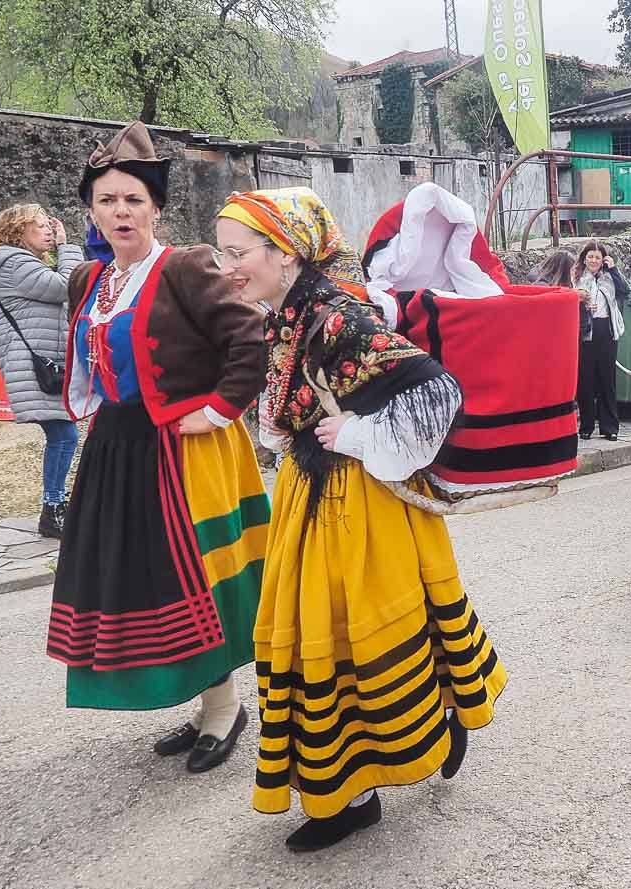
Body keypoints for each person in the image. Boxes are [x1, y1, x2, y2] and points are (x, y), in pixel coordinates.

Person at [216, 187, 506, 852]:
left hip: (356, 502)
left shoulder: (336, 315)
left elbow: (437, 389)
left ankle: (363, 781)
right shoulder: (288, 311)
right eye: (223, 252)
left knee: (349, 635)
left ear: (283, 252)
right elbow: (291, 403)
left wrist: (353, 432)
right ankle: (360, 779)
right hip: (311, 494)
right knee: (325, 635)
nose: (228, 265)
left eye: (238, 253)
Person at [48, 122, 268, 775]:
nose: (121, 211)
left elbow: (248, 340)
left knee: (195, 576)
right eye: (108, 199)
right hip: (117, 450)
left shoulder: (185, 266)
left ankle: (226, 708)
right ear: (90, 208)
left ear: (156, 208)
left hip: (183, 450)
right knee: (143, 580)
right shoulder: (87, 281)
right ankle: (205, 705)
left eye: (134, 200)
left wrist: (219, 409)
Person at [0, 203, 83, 538]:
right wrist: (68, 248)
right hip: (32, 364)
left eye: (49, 226)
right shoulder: (15, 263)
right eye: (40, 225)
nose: (49, 231)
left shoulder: (13, 263)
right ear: (18, 230)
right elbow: (69, 286)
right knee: (64, 435)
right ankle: (53, 509)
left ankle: (55, 506)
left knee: (62, 434)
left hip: (33, 361)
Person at [575, 241, 628, 441]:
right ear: (584, 258)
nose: (594, 261)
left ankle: (609, 427)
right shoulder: (578, 278)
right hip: (585, 332)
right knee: (586, 381)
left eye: (598, 257)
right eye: (590, 257)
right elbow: (568, 299)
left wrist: (613, 269)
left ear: (603, 259)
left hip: (606, 330)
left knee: (608, 380)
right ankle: (587, 426)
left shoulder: (609, 277)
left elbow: (625, 291)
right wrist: (584, 305)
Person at [528, 250, 584, 340]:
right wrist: (573, 297)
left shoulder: (557, 285)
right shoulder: (543, 288)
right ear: (563, 271)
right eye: (572, 269)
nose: (575, 273)